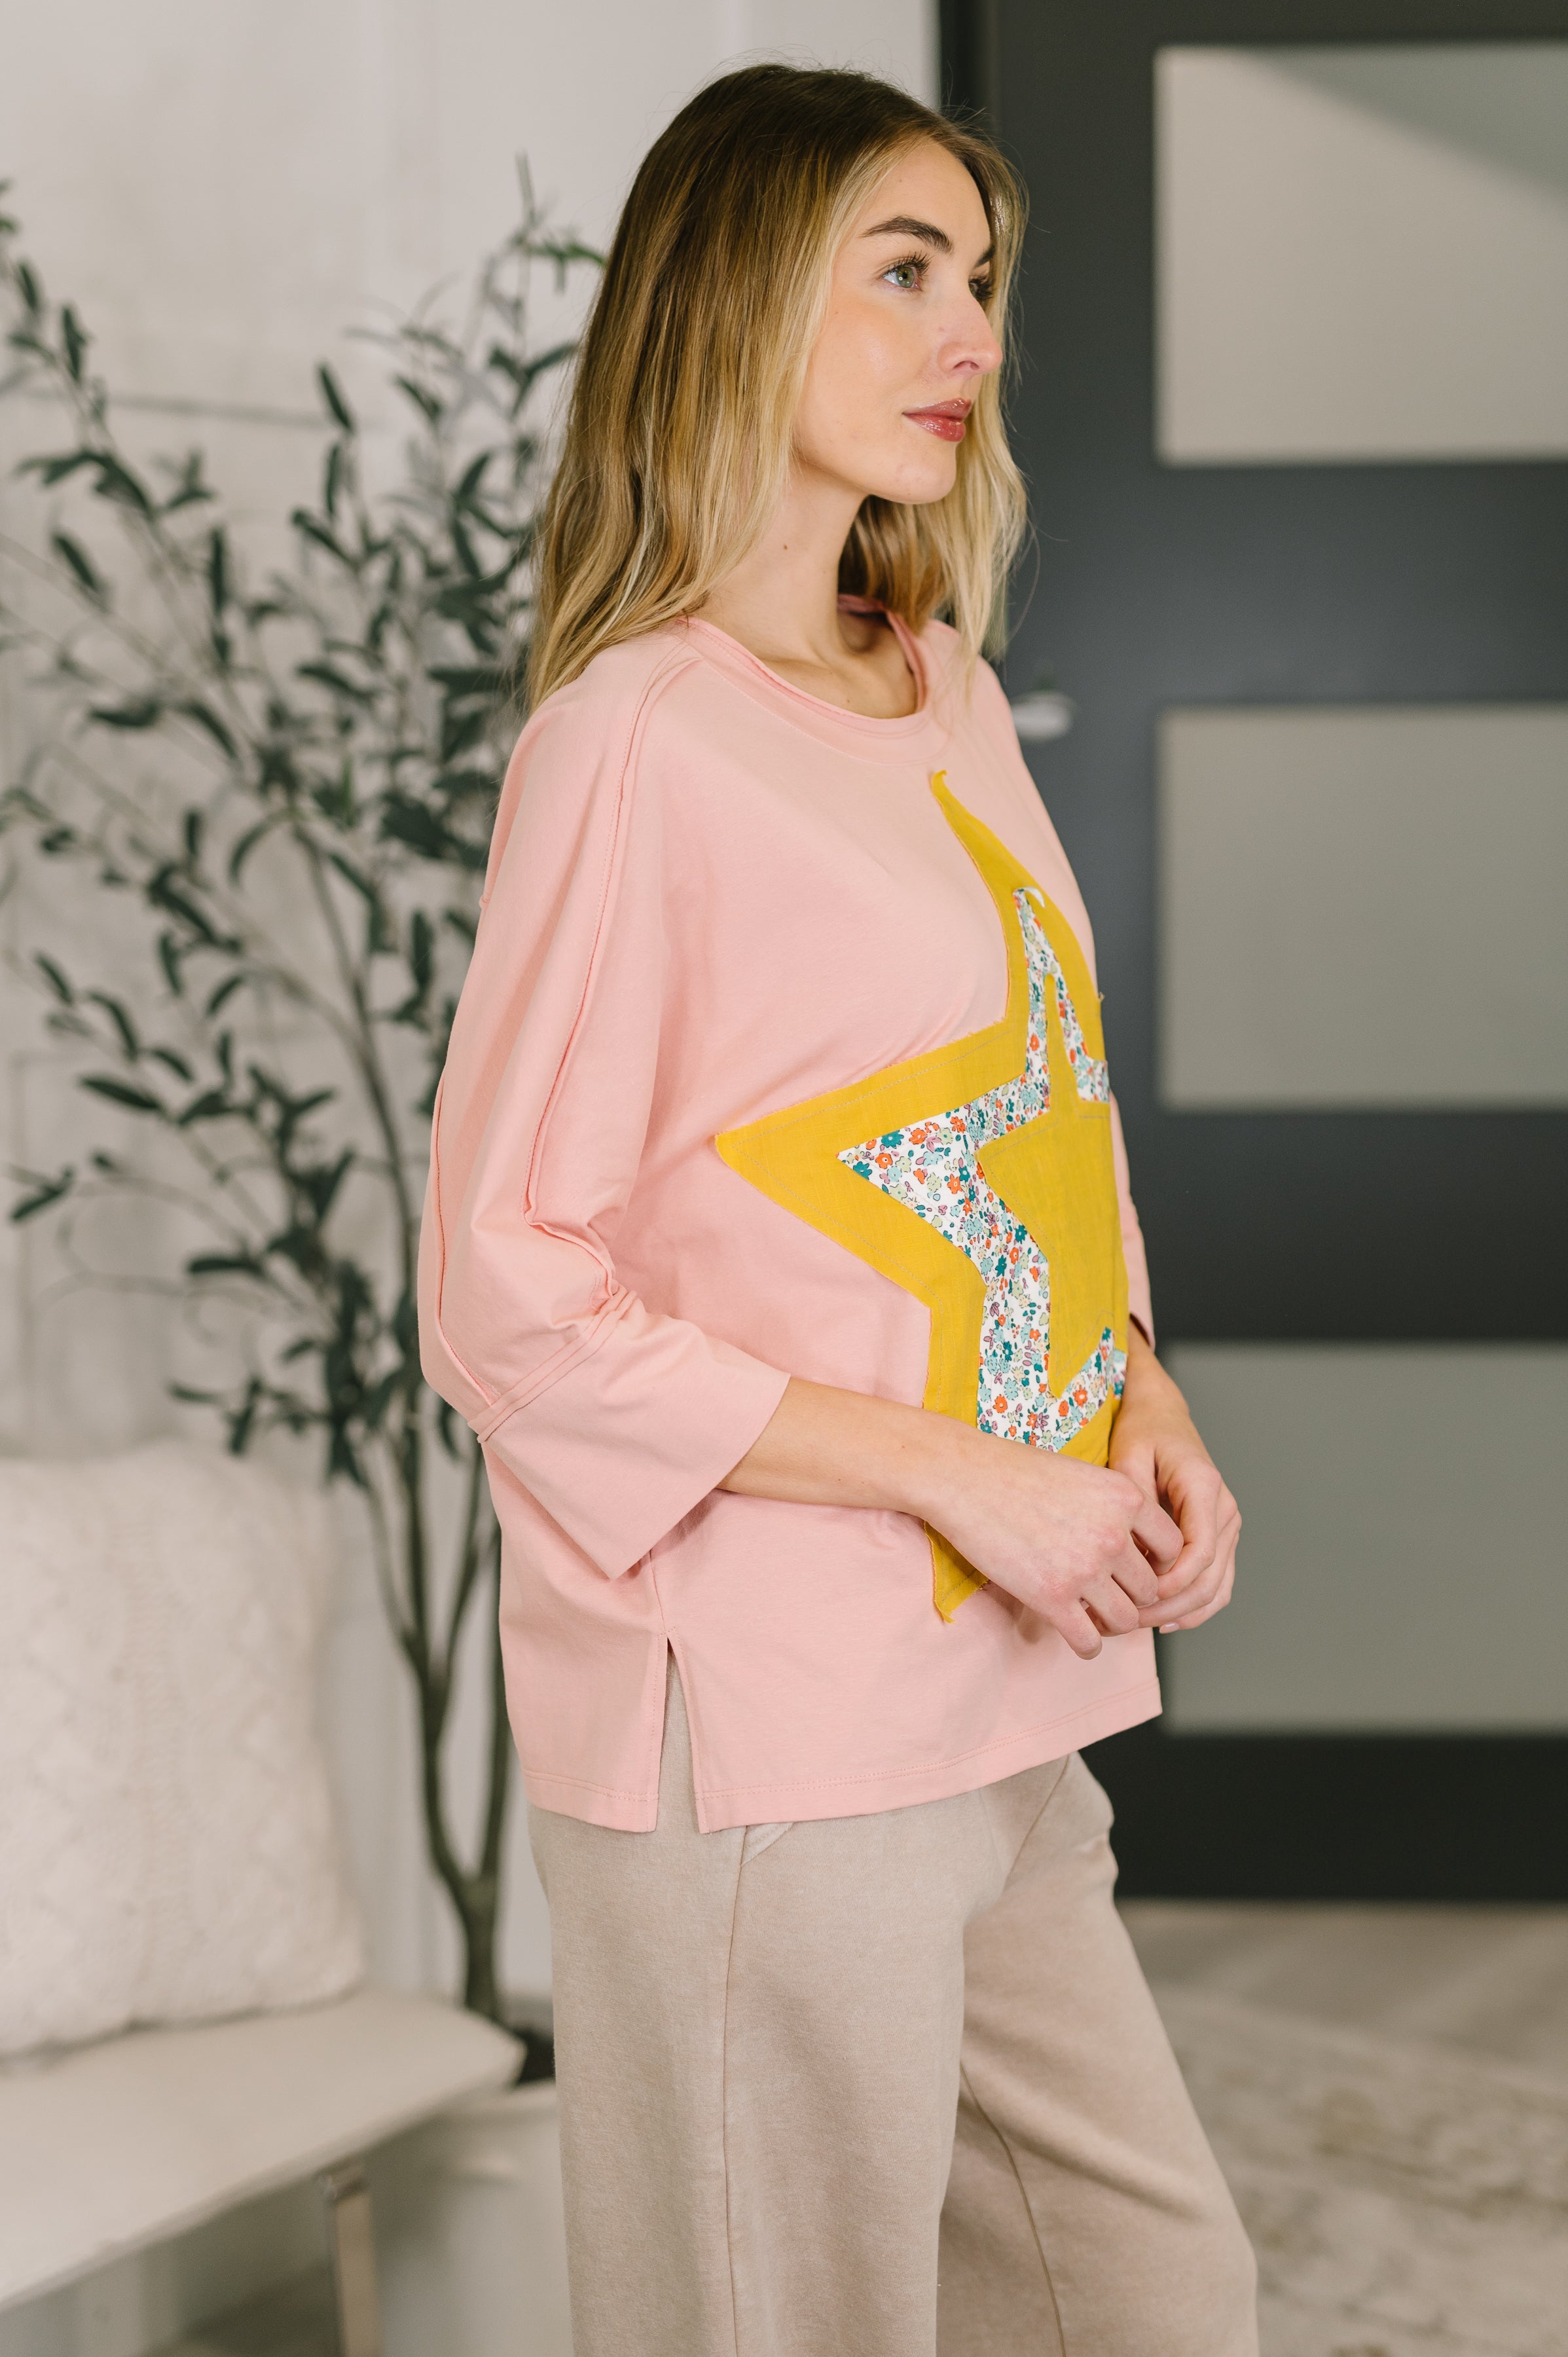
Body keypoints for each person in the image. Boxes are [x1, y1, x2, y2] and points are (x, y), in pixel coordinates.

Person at [418, 60, 1255, 2357]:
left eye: (976, 278)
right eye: (898, 272)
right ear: (727, 304)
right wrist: (960, 1473)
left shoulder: (942, 689)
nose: (962, 328)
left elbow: (1025, 1125)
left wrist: (1133, 1406)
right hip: (774, 1731)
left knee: (1151, 2295)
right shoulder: (634, 742)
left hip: (1000, 1689)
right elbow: (511, 1300)